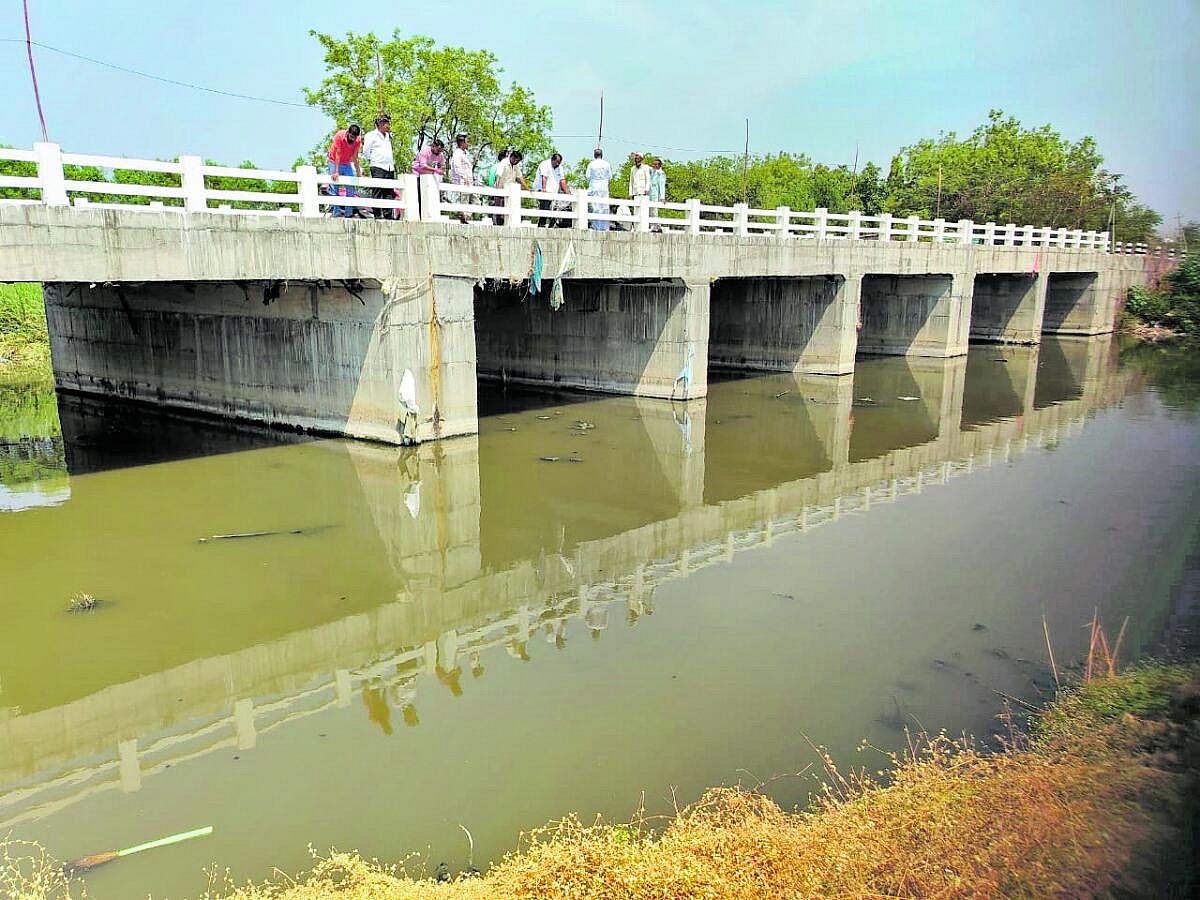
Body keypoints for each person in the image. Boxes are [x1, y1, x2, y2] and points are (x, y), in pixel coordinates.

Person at [361, 115, 395, 220]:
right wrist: (374, 159)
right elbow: (366, 151)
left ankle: (388, 214)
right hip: (377, 165)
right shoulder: (371, 135)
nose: (387, 125)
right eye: (385, 123)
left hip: (389, 167)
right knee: (377, 190)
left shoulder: (388, 136)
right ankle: (377, 214)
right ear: (379, 124)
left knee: (388, 192)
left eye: (388, 123)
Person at [326, 123, 362, 218]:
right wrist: (336, 171)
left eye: (354, 137)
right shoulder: (339, 136)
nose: (352, 139)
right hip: (334, 161)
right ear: (348, 133)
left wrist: (358, 171)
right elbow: (338, 153)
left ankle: (348, 212)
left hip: (346, 163)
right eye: (351, 136)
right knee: (335, 186)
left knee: (350, 186)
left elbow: (355, 156)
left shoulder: (358, 140)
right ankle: (336, 212)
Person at [411, 138, 445, 219]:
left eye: (441, 150)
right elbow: (423, 166)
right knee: (419, 195)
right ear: (433, 146)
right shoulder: (425, 151)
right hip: (418, 174)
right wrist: (436, 170)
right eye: (438, 149)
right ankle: (419, 214)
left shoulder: (440, 155)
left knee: (430, 196)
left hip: (429, 176)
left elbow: (442, 164)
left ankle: (428, 214)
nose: (439, 152)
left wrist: (441, 167)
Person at [491, 150, 527, 225]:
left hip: (511, 192)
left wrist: (527, 188)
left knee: (511, 211)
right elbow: (499, 174)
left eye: (518, 161)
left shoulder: (516, 166)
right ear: (512, 157)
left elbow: (519, 177)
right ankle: (498, 227)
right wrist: (496, 186)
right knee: (500, 211)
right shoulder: (504, 162)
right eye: (517, 160)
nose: (517, 162)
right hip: (501, 190)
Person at [534, 152, 568, 227]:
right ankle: (541, 225)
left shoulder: (560, 168)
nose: (558, 164)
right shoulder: (545, 164)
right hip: (543, 190)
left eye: (560, 162)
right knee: (545, 207)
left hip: (553, 192)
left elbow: (562, 180)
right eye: (557, 162)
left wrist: (567, 193)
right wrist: (543, 189)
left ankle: (550, 225)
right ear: (553, 160)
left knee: (554, 209)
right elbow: (544, 177)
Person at [585, 148, 612, 231]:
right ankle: (604, 227)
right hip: (604, 187)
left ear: (594, 155)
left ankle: (596, 226)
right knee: (604, 207)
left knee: (595, 207)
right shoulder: (607, 164)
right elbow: (610, 177)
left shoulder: (591, 164)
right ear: (602, 155)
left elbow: (588, 176)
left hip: (594, 186)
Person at [448, 133, 474, 223]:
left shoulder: (465, 154)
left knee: (475, 201)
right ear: (462, 143)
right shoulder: (457, 153)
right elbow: (457, 167)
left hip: (469, 182)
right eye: (467, 141)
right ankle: (464, 217)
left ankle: (465, 216)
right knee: (465, 200)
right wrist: (464, 177)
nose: (468, 143)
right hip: (463, 182)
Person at [648, 157, 667, 232]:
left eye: (656, 164)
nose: (654, 165)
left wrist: (662, 197)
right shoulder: (652, 172)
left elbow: (662, 186)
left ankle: (656, 227)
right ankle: (652, 226)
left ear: (659, 165)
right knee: (650, 211)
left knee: (654, 211)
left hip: (656, 195)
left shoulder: (661, 173)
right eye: (653, 164)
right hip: (650, 194)